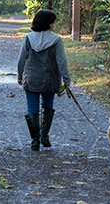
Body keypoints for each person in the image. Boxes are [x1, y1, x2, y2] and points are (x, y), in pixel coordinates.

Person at [17, 9, 71, 151]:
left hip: (31, 77)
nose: (54, 24)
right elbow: (61, 62)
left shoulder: (28, 38)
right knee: (48, 106)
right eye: (53, 21)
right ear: (48, 23)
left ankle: (35, 140)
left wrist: (19, 76)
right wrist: (66, 79)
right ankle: (44, 135)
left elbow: (21, 59)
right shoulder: (56, 40)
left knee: (32, 108)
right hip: (50, 78)